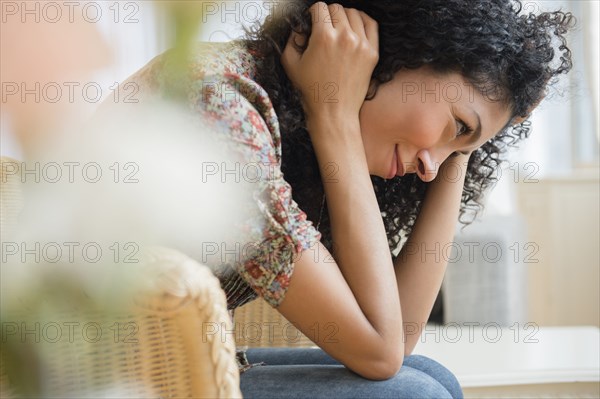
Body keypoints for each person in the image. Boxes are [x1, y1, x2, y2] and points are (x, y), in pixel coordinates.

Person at [114, 1, 574, 397]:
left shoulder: (295, 126)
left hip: (180, 364)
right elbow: (379, 352)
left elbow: (401, 334)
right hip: (105, 380)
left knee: (431, 378)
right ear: (409, 51)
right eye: (456, 125)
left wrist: (467, 149)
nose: (432, 167)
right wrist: (332, 113)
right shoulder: (224, 107)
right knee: (414, 393)